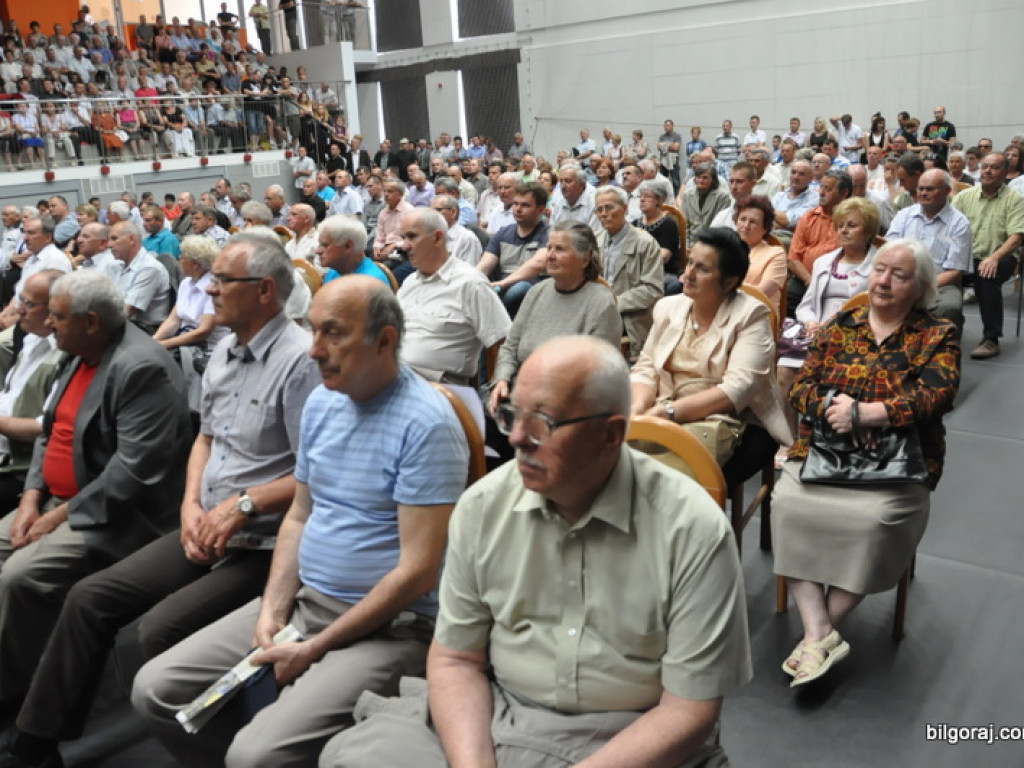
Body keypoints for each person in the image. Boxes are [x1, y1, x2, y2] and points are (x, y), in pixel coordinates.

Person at [319, 335, 752, 768]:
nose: (517, 439)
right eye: (511, 416)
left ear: (610, 434)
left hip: (630, 738)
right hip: (497, 718)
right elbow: (455, 661)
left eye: (543, 422)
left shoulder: (691, 528)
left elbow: (687, 711)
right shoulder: (483, 506)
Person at [0, 232, 321, 768]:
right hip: (203, 523)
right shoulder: (227, 354)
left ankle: (211, 747)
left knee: (159, 628)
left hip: (263, 539)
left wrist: (239, 507)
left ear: (265, 290)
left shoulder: (299, 362)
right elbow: (206, 439)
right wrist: (192, 505)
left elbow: (312, 475)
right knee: (90, 598)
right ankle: (38, 740)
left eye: (221, 280)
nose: (207, 289)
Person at [132, 275, 469, 768]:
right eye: (311, 331)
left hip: (392, 628)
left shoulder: (428, 423)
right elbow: (300, 515)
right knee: (154, 691)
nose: (314, 350)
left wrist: (314, 647)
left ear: (385, 340)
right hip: (309, 602)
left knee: (254, 753)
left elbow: (417, 571)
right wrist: (273, 610)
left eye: (333, 333)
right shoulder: (324, 403)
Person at [0, 270, 190, 730]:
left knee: (20, 578)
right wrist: (30, 499)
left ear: (90, 321)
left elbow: (133, 474)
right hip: (56, 500)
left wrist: (55, 517)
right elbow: (52, 432)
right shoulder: (76, 353)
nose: (48, 324)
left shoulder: (141, 367)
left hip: (114, 517)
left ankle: (15, 702)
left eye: (57, 317)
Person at [772, 239, 960, 687]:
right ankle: (820, 633)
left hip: (899, 461)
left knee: (875, 523)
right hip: (826, 450)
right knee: (788, 506)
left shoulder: (937, 333)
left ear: (921, 288)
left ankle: (815, 636)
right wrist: (836, 408)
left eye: (900, 274)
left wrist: (872, 413)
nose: (884, 280)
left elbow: (938, 393)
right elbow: (802, 387)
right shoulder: (842, 323)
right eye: (880, 270)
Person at [629, 228, 790, 482]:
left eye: (702, 269)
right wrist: (637, 408)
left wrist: (669, 413)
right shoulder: (668, 307)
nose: (687, 275)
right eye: (690, 262)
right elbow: (646, 367)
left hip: (730, 421)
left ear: (728, 282)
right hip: (663, 410)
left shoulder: (751, 315)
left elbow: (738, 388)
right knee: (607, 460)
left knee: (665, 482)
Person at [489, 220, 621, 413]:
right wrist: (502, 380)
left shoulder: (600, 303)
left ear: (584, 259)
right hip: (518, 391)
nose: (549, 256)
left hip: (564, 405)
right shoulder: (537, 292)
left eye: (559, 249)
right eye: (548, 248)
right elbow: (510, 346)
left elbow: (599, 374)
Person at [952, 152, 1024, 359]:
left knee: (986, 276)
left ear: (1005, 172)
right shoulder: (964, 197)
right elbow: (948, 227)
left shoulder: (1014, 199)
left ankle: (991, 338)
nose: (987, 171)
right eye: (985, 167)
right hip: (966, 257)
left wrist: (994, 258)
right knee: (939, 275)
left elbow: (1017, 236)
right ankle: (944, 330)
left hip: (1001, 256)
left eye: (994, 168)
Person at [885, 169, 972, 333]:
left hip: (940, 284)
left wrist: (921, 287)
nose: (923, 193)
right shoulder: (904, 216)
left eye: (930, 189)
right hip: (900, 279)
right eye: (920, 188)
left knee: (949, 308)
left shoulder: (959, 223)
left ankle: (945, 355)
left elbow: (954, 271)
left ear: (947, 191)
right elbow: (888, 252)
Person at [594, 186, 663, 360]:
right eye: (599, 209)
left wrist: (613, 303)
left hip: (629, 317)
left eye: (609, 207)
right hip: (597, 312)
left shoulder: (645, 243)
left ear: (625, 209)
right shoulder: (595, 240)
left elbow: (652, 290)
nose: (603, 213)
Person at [152, 234, 224, 351]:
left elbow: (204, 331)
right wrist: (153, 341)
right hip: (184, 345)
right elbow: (173, 320)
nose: (179, 260)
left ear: (195, 264)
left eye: (182, 257)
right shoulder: (186, 283)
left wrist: (164, 345)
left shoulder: (213, 287)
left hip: (207, 349)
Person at [734, 196, 786, 314]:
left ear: (765, 228)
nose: (746, 226)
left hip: (757, 317)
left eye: (753, 222)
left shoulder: (776, 254)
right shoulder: (724, 248)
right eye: (742, 219)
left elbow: (761, 294)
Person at [634, 179, 682, 294]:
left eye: (647, 196)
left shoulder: (668, 224)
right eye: (640, 196)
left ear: (659, 200)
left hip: (663, 273)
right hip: (637, 271)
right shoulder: (634, 224)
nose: (642, 199)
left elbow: (663, 257)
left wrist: (636, 262)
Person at [681, 162, 731, 252]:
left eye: (705, 178)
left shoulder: (723, 196)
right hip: (691, 243)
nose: (700, 181)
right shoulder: (687, 195)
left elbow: (719, 226)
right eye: (698, 177)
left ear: (713, 179)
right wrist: (686, 245)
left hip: (713, 244)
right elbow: (684, 223)